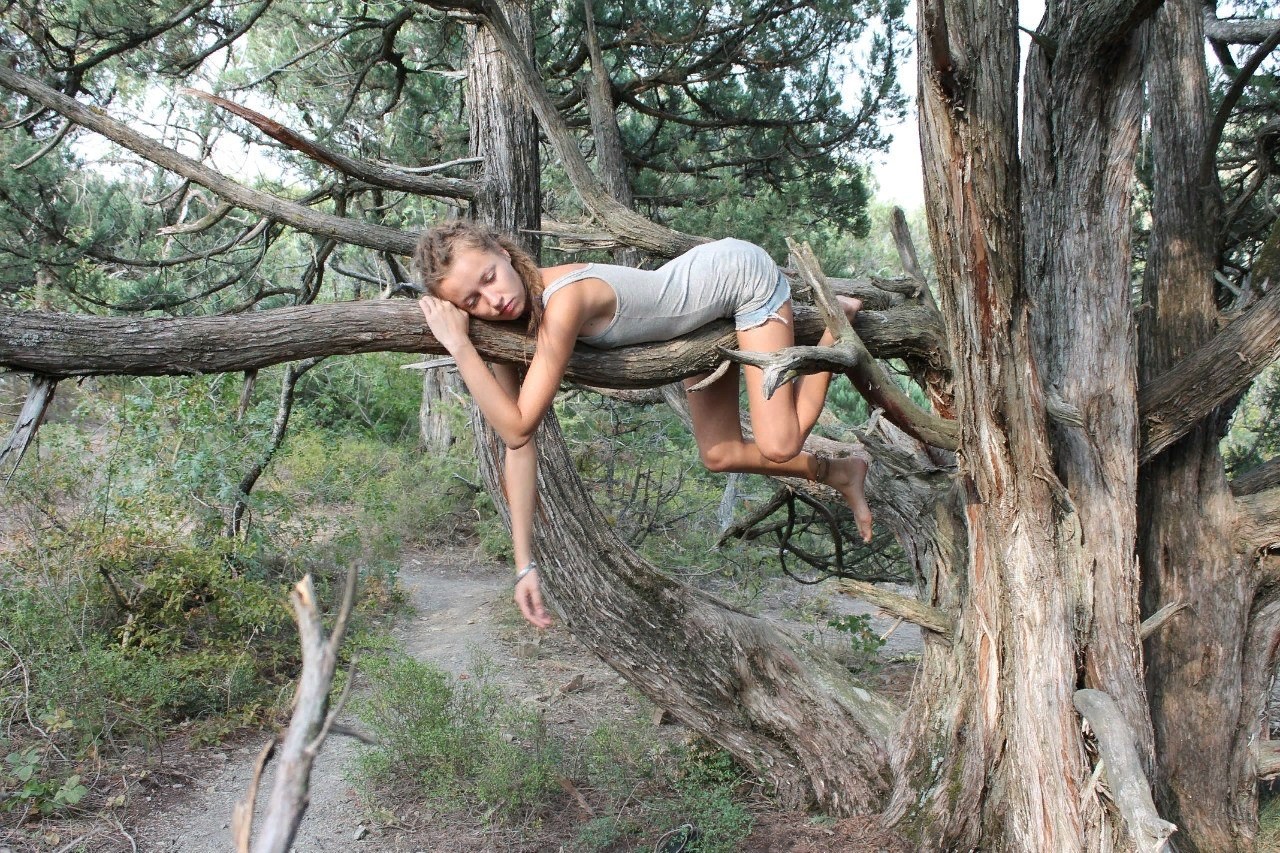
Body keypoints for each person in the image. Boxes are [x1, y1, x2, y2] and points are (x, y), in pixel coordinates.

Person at [415, 220, 872, 628]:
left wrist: (460, 346)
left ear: (503, 252)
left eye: (490, 277)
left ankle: (836, 326)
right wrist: (523, 565)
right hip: (697, 319)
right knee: (721, 454)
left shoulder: (565, 300)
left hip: (741, 279)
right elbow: (518, 445)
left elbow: (516, 426)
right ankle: (840, 472)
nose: (494, 300)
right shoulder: (517, 324)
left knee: (780, 443)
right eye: (472, 301)